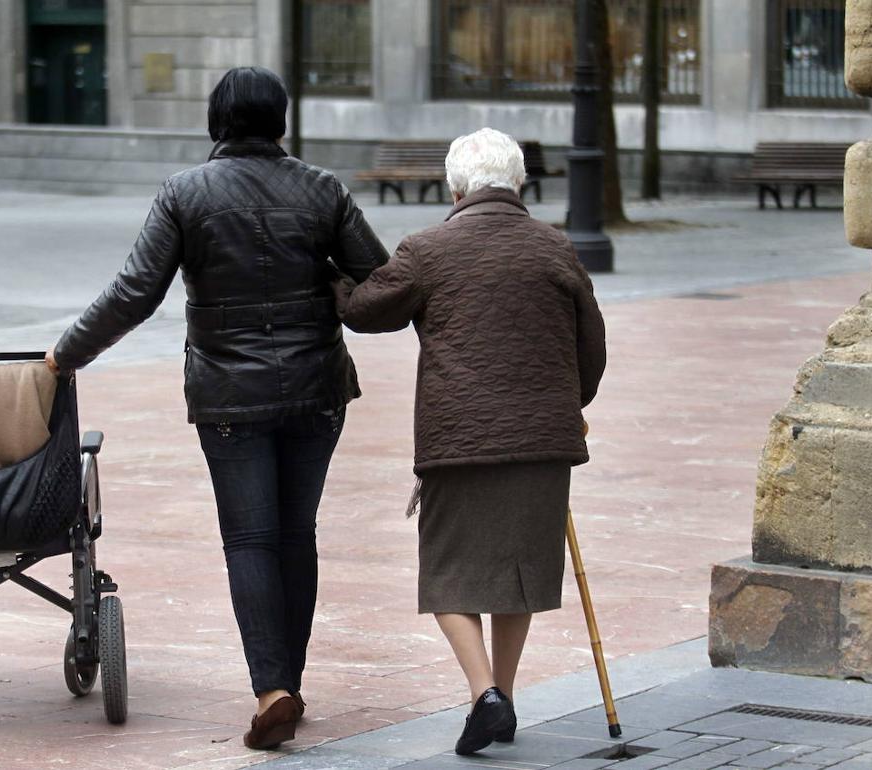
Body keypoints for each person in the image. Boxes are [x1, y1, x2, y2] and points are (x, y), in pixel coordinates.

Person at [45, 66, 389, 750]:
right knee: (296, 534)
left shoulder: (185, 193)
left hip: (229, 394)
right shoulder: (323, 189)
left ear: (217, 120)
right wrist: (332, 285)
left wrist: (64, 356)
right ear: (280, 119)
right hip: (317, 388)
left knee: (250, 538)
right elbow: (381, 285)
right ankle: (288, 684)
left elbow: (134, 293)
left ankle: (273, 690)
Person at [334, 128, 606, 756]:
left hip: (459, 439)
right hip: (542, 441)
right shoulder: (556, 247)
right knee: (520, 572)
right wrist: (571, 403)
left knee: (448, 574)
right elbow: (590, 343)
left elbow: (366, 311)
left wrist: (333, 283)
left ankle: (485, 694)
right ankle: (500, 697)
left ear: (455, 189)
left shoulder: (428, 249)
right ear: (519, 184)